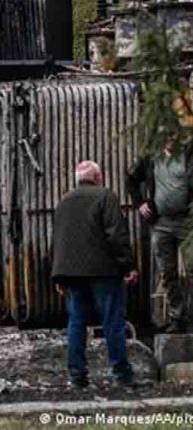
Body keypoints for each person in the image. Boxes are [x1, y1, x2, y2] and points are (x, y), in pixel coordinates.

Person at [52, 160, 138, 388]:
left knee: (77, 322)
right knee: (113, 321)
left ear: (77, 179)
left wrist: (59, 276)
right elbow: (116, 235)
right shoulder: (105, 196)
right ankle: (121, 374)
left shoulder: (64, 200)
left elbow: (58, 240)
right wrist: (127, 265)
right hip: (104, 270)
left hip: (72, 272)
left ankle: (77, 376)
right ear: (99, 177)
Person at [127, 140, 193, 333]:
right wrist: (139, 203)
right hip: (161, 223)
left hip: (187, 223)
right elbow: (131, 179)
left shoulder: (188, 155)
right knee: (167, 273)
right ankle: (176, 318)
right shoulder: (150, 157)